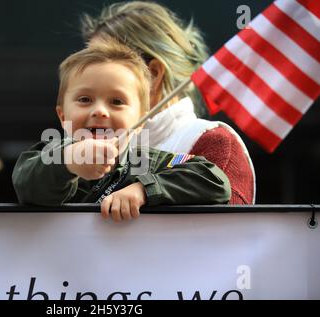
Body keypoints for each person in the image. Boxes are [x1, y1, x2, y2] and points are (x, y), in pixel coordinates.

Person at [12, 40, 231, 222]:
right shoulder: (47, 155)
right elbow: (26, 184)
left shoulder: (148, 163)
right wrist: (69, 161)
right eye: (85, 99)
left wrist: (143, 190)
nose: (99, 110)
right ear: (62, 116)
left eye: (116, 101)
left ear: (141, 121)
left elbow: (216, 181)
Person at [80, 1, 255, 204]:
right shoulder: (88, 150)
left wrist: (146, 190)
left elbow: (227, 233)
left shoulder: (216, 143)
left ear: (153, 74)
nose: (87, 78)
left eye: (103, 66)